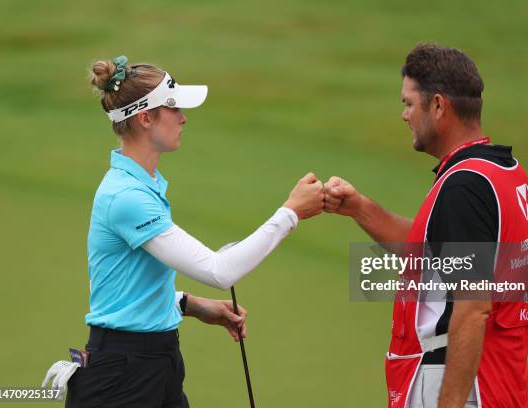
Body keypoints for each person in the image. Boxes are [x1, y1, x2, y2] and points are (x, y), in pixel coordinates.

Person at [42, 56, 324, 408]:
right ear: (146, 118)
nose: (183, 117)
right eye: (173, 108)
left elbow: (126, 286)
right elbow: (219, 271)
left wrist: (188, 305)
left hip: (158, 364)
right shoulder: (126, 196)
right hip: (121, 377)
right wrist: (291, 213)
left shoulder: (145, 185)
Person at [323, 44, 528, 408]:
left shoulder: (464, 186)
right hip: (496, 376)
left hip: (460, 382)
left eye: (409, 103)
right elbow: (433, 254)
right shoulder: (502, 171)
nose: (404, 115)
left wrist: (449, 402)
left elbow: (473, 307)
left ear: (438, 106)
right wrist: (359, 208)